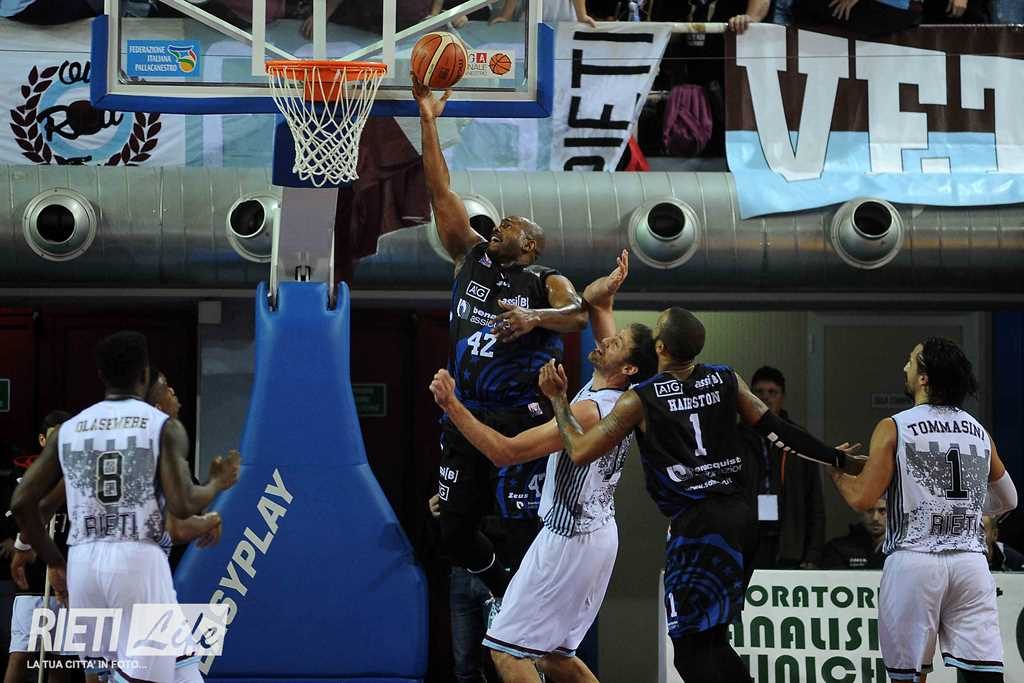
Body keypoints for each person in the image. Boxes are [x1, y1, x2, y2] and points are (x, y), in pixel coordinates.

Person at [538, 307, 858, 683]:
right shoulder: (725, 378)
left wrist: (558, 400)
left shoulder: (640, 398)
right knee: (712, 640)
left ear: (661, 348)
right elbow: (778, 431)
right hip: (741, 519)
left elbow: (578, 450)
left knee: (690, 652)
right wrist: (837, 457)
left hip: (698, 527)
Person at [430, 251, 657, 683]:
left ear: (628, 367)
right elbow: (596, 303)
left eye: (616, 343)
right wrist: (609, 286)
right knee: (555, 657)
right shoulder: (620, 394)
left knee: (505, 653)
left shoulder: (589, 411)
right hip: (597, 535)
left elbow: (505, 453)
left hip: (569, 539)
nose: (605, 341)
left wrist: (452, 406)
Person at [413, 77, 587, 607]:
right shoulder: (469, 256)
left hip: (522, 416)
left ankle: (530, 614)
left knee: (522, 526)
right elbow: (440, 191)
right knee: (451, 530)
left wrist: (535, 318)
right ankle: (504, 592)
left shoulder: (544, 280)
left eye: (510, 225)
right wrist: (428, 119)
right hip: (466, 413)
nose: (499, 226)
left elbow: (579, 315)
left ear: (530, 246)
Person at [11, 330, 241, 683]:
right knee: (141, 677)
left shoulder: (71, 429)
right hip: (136, 560)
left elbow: (26, 503)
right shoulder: (161, 427)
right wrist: (216, 484)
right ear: (144, 374)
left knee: (166, 672)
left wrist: (49, 558)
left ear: (101, 375)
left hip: (83, 563)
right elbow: (181, 506)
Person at [829, 337, 1016, 683]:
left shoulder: (895, 426)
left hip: (915, 563)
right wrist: (967, 508)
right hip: (970, 565)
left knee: (909, 675)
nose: (905, 367)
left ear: (924, 378)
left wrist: (838, 474)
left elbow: (863, 499)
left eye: (911, 361)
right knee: (983, 674)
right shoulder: (978, 431)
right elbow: (1009, 499)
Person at [6, 411, 70, 683]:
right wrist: (19, 545)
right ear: (43, 440)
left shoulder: (80, 475)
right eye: (54, 437)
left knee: (59, 659)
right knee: (21, 654)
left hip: (69, 578)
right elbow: (19, 515)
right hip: (33, 581)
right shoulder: (27, 478)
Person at [749, 366, 826, 569]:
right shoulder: (737, 438)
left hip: (790, 542)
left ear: (782, 397)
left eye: (772, 392)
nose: (765, 397)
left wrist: (814, 552)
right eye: (759, 392)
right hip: (748, 542)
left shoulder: (797, 439)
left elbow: (814, 499)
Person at [821, 497, 887, 570]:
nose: (875, 518)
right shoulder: (837, 549)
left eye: (882, 511)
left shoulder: (897, 552)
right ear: (860, 513)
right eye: (869, 510)